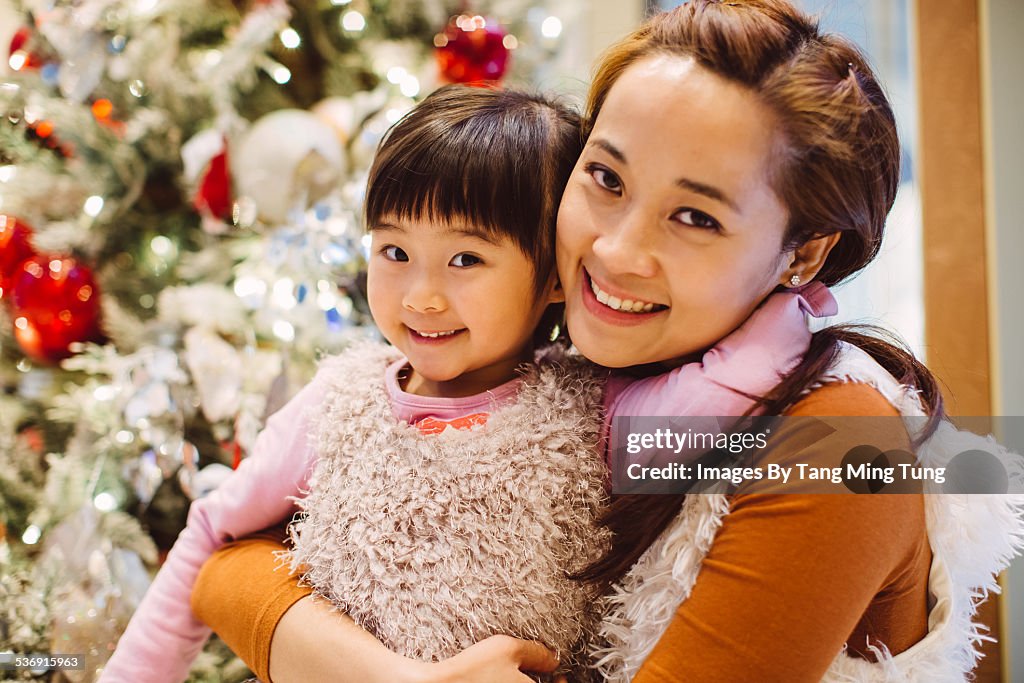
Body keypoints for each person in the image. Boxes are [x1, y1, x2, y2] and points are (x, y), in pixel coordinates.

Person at [190, 2, 1024, 682]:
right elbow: (230, 562)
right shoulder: (575, 375)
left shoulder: (843, 444)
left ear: (803, 253)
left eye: (695, 216)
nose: (616, 250)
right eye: (606, 178)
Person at [100, 83, 822, 683]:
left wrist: (791, 307)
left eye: (466, 260)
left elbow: (718, 404)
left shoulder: (587, 410)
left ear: (551, 276)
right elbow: (214, 532)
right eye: (394, 250)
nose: (421, 296)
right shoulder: (338, 400)